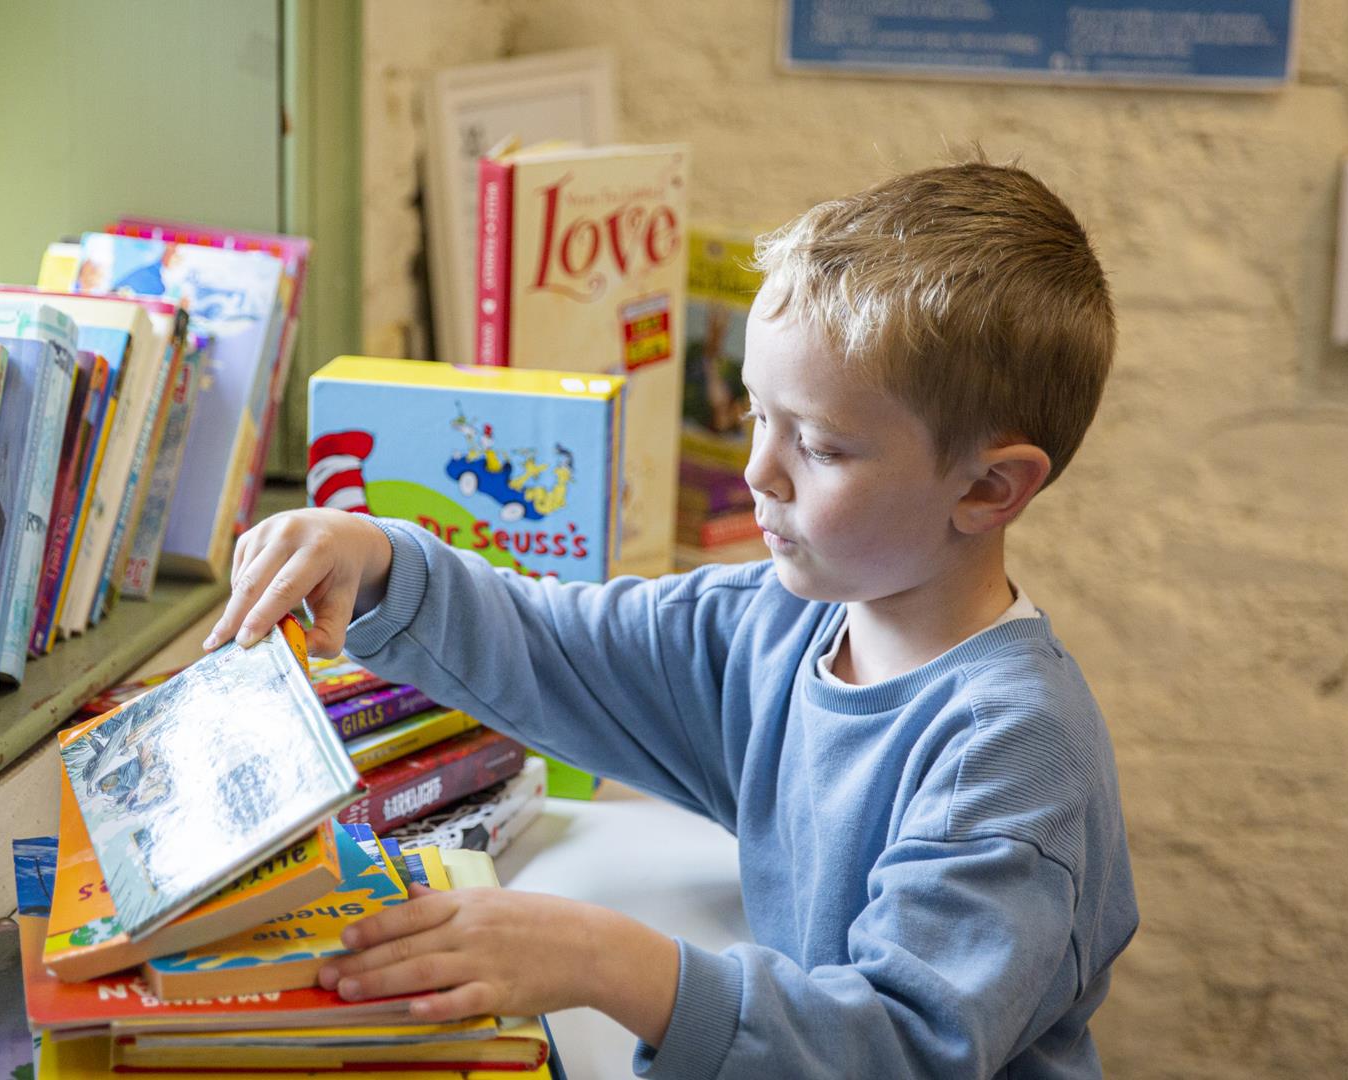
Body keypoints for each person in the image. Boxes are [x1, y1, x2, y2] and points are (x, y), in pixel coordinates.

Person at [205, 160, 1138, 1079]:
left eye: (815, 445)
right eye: (756, 417)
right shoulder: (777, 627)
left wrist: (605, 960)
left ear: (988, 487)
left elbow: (901, 1046)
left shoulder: (1011, 751)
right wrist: (375, 561)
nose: (758, 473)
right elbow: (554, 647)